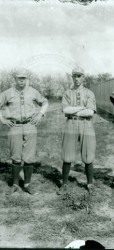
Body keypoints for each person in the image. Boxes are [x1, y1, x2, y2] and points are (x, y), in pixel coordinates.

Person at [0, 68, 48, 194]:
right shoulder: (7, 93)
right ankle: (15, 184)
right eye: (19, 78)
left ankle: (27, 184)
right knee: (16, 156)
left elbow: (44, 102)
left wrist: (40, 114)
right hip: (15, 126)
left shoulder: (33, 91)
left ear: (26, 79)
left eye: (23, 78)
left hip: (30, 125)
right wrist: (1, 118)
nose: (21, 81)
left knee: (29, 156)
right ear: (15, 79)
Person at [57, 67, 96, 195]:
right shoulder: (67, 93)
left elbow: (90, 111)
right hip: (71, 123)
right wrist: (81, 108)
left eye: (79, 76)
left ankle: (90, 184)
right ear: (72, 77)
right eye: (75, 76)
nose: (77, 78)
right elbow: (65, 110)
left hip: (86, 124)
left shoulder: (89, 93)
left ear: (83, 77)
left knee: (88, 154)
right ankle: (64, 184)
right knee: (67, 155)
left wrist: (74, 109)